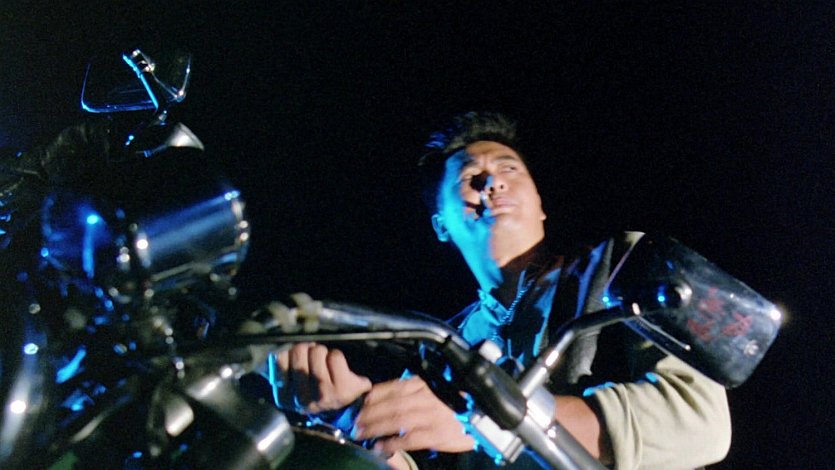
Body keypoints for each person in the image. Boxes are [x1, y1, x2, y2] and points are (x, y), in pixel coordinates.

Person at [275, 112, 731, 469]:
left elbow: (699, 421)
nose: (491, 181)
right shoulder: (437, 347)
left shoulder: (626, 262)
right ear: (441, 225)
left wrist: (488, 419)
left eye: (508, 168)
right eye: (469, 177)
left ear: (540, 203)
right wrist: (358, 420)